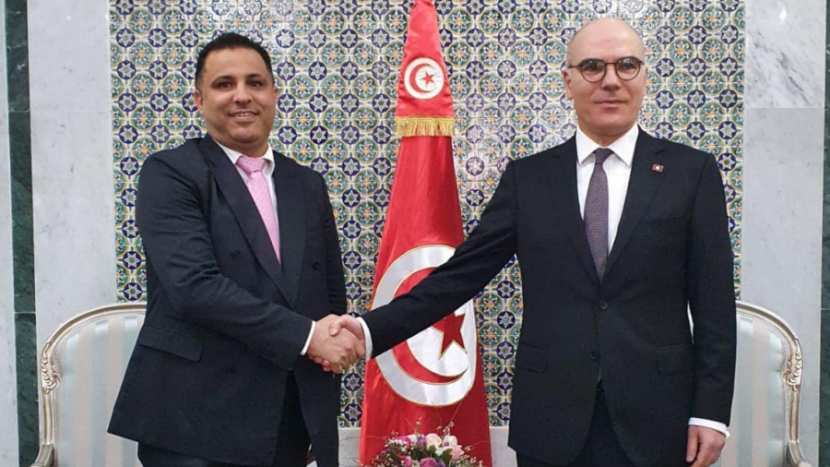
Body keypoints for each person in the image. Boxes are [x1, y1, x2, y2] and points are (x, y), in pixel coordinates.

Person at [328, 18, 736, 467]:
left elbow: (714, 305)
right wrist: (369, 330)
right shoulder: (530, 179)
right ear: (568, 81)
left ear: (644, 77)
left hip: (658, 416)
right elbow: (459, 277)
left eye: (626, 65)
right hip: (552, 417)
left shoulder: (691, 173)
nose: (611, 81)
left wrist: (711, 412)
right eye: (593, 67)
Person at [108, 33, 362, 467]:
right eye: (224, 84)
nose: (242, 96)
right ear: (199, 99)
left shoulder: (306, 184)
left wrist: (331, 353)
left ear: (274, 95)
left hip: (287, 417)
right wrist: (309, 337)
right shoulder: (170, 172)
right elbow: (194, 287)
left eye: (255, 83)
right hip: (194, 422)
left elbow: (327, 294)